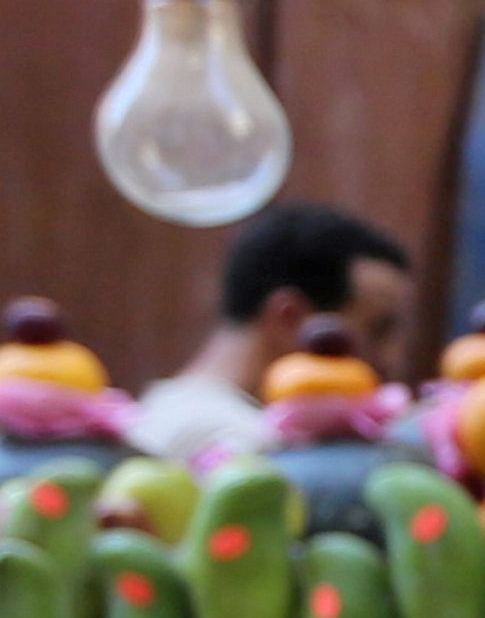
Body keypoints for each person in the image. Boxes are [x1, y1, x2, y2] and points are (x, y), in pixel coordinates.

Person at [126, 200, 416, 469]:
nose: (392, 360)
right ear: (290, 319)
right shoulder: (241, 445)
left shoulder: (165, 409)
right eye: (378, 330)